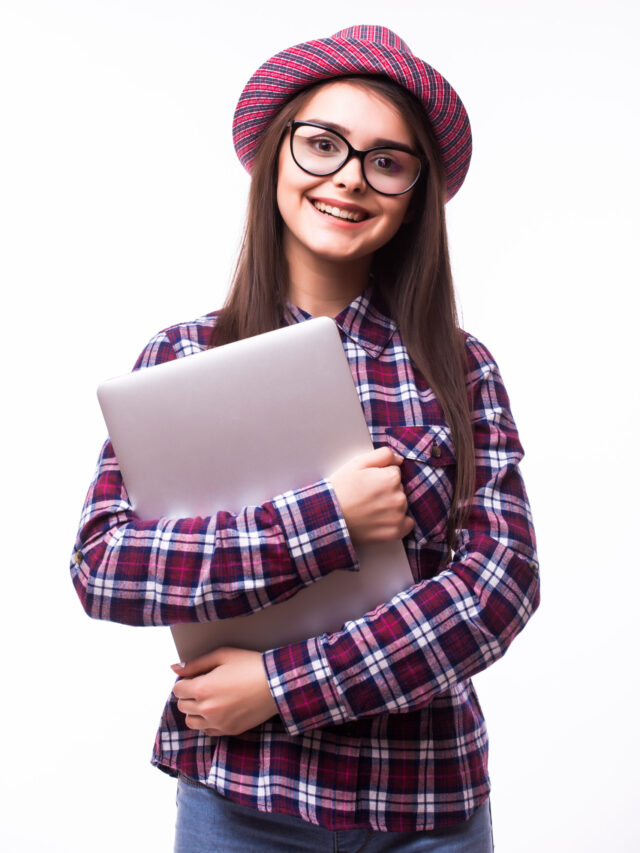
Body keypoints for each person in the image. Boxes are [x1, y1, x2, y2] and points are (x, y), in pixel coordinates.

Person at [71, 25, 540, 852]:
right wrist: (327, 520)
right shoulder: (183, 358)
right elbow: (105, 567)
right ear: (276, 157)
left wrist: (284, 684)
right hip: (243, 805)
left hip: (428, 808)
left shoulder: (459, 368)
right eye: (323, 145)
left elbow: (499, 588)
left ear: (414, 195)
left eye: (387, 161)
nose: (349, 180)